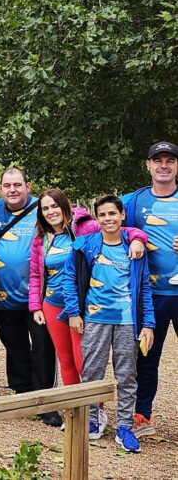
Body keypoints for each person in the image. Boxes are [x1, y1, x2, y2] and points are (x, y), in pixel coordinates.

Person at [28, 189, 146, 422]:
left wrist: (138, 239)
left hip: (82, 307)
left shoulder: (86, 227)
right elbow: (34, 275)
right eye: (45, 208)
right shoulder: (41, 239)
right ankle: (75, 412)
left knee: (86, 361)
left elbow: (121, 230)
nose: (51, 212)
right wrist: (36, 306)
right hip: (51, 305)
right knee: (66, 361)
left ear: (65, 207)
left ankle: (95, 411)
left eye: (55, 206)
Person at [62, 195, 154, 453]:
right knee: (92, 372)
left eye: (112, 214)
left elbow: (144, 287)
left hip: (127, 322)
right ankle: (91, 420)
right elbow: (70, 279)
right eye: (102, 215)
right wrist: (73, 312)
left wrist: (148, 323)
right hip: (95, 319)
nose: (108, 219)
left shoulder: (134, 249)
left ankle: (124, 426)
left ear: (122, 215)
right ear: (97, 218)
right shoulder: (85, 246)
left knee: (127, 374)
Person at [0, 167, 60, 426]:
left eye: (18, 184)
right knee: (13, 344)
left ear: (28, 185)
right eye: (7, 185)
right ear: (0, 189)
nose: (12, 189)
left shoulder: (43, 207)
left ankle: (44, 400)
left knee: (42, 346)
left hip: (39, 297)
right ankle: (22, 392)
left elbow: (72, 225)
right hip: (4, 294)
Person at [123, 141, 178, 438]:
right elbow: (101, 222)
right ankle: (142, 416)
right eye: (158, 160)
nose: (164, 165)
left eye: (170, 160)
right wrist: (134, 235)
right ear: (148, 165)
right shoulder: (133, 201)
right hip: (149, 295)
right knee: (146, 357)